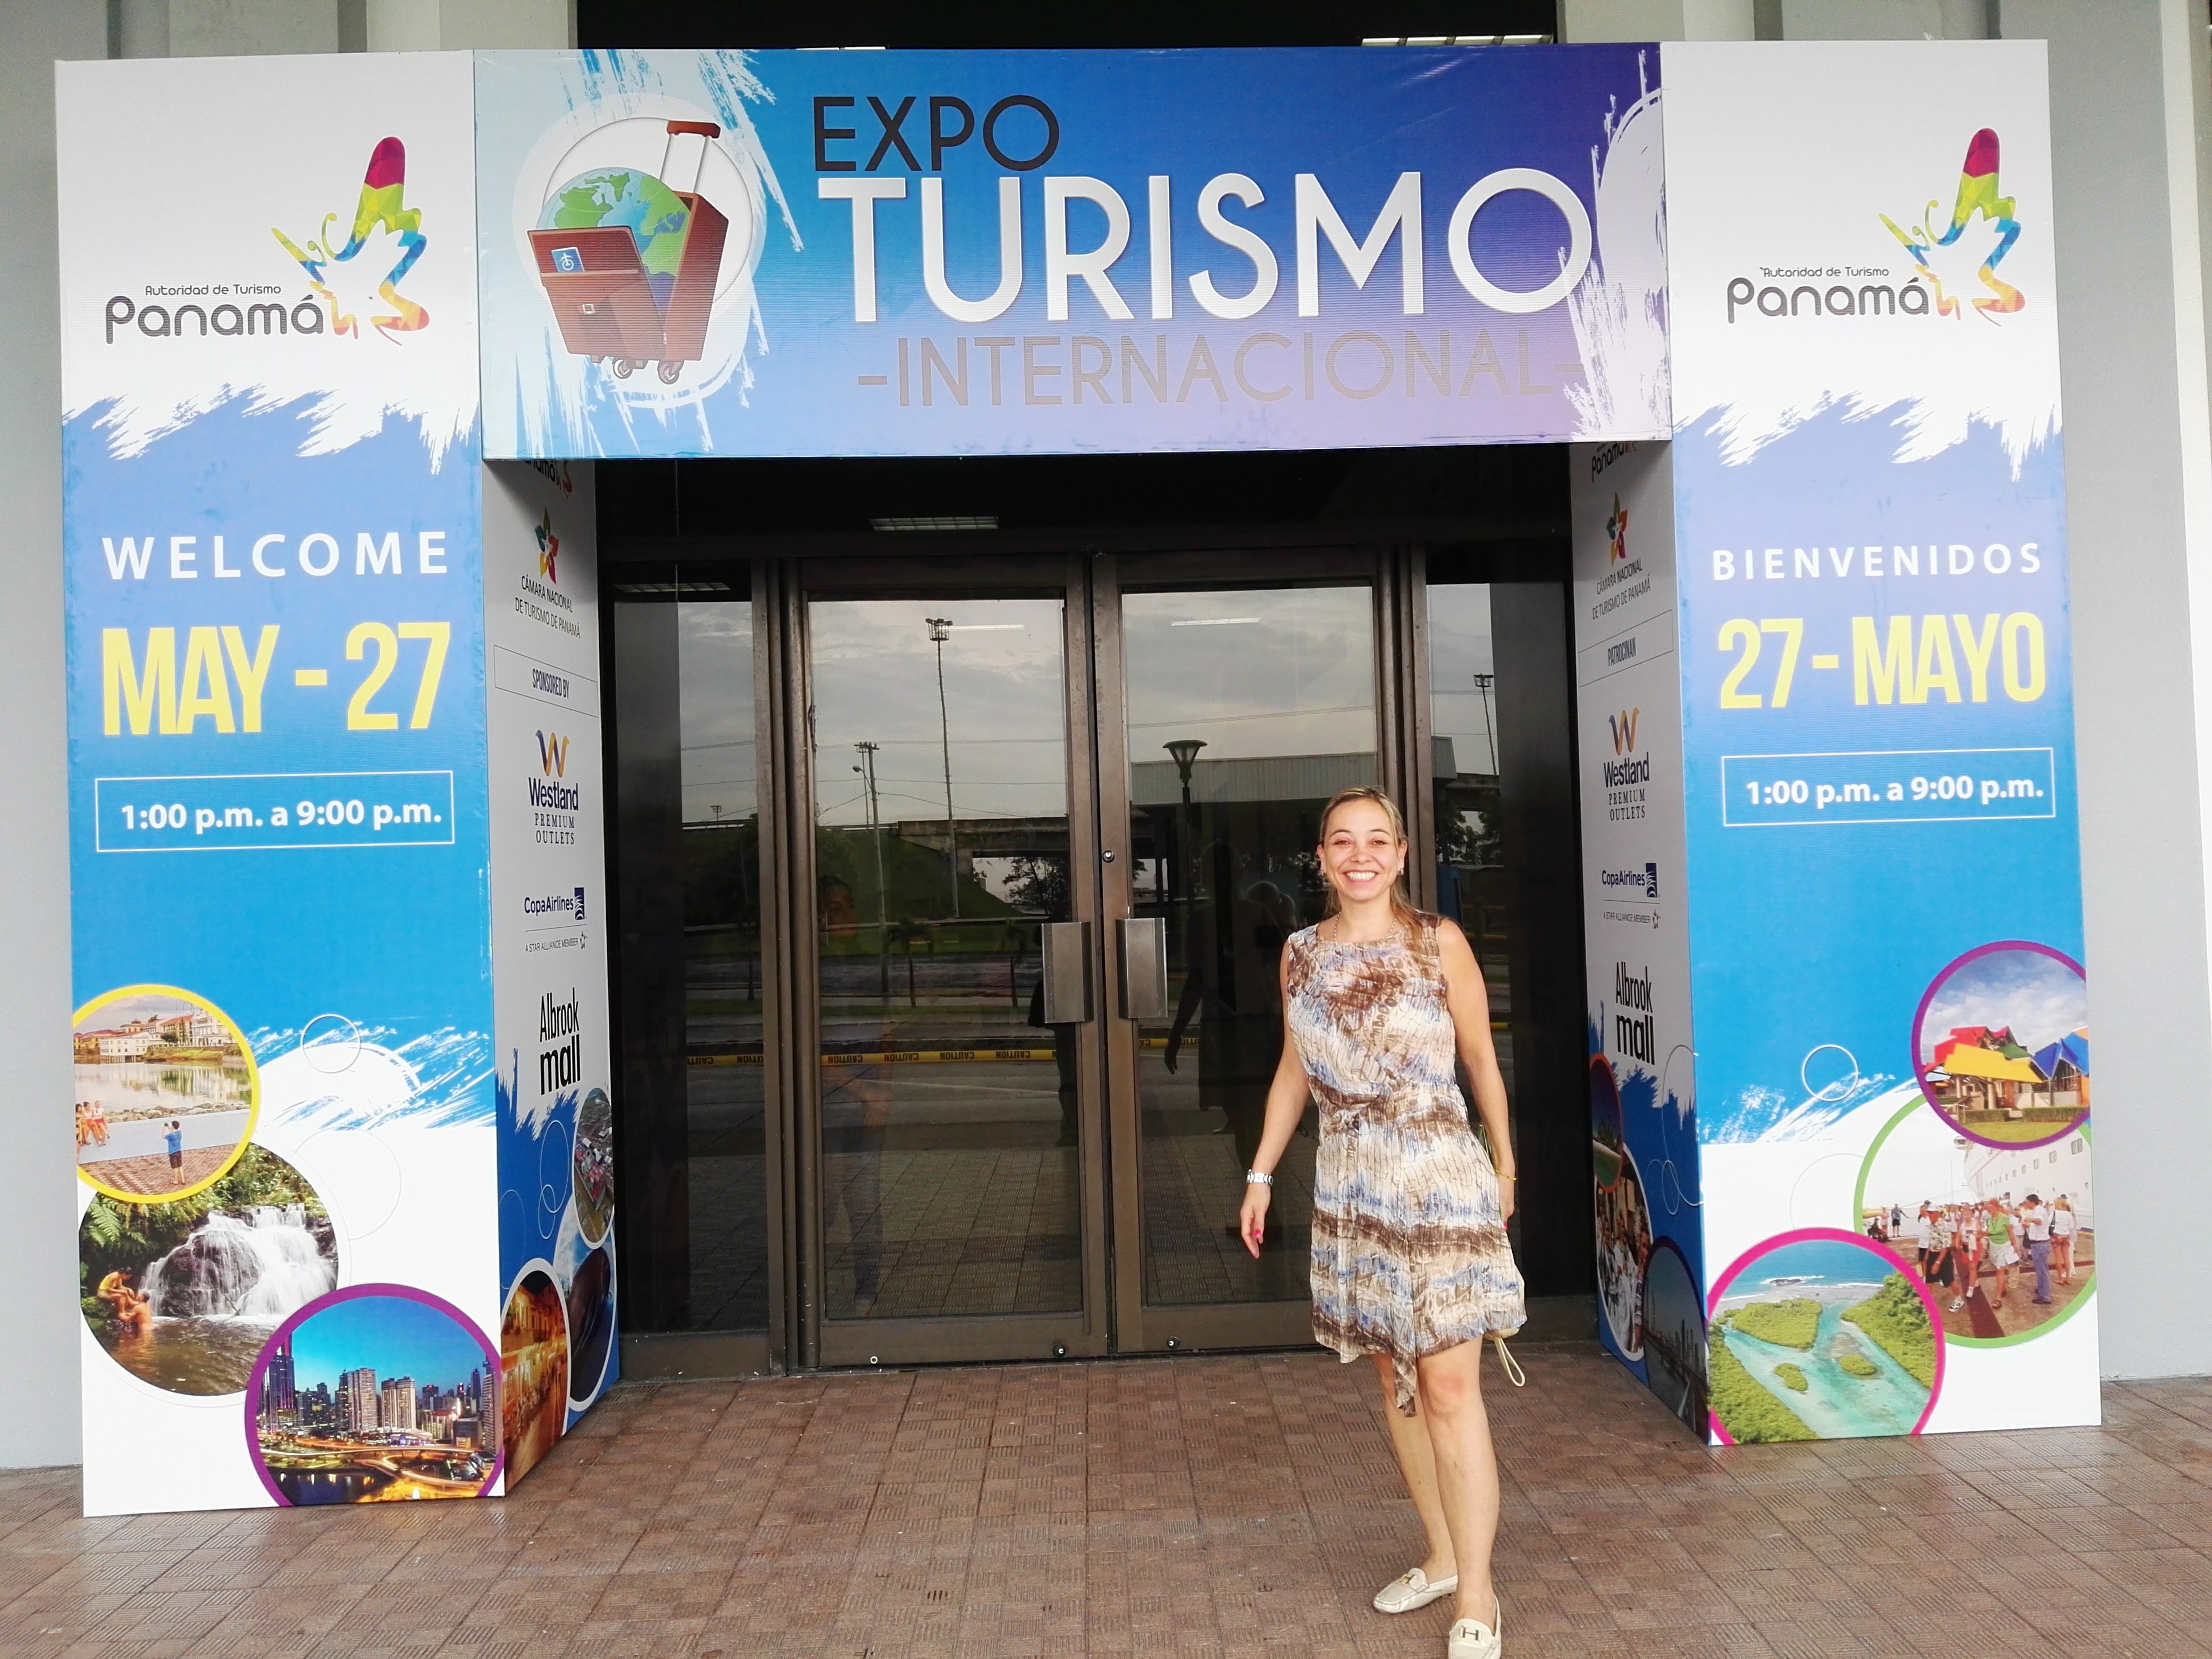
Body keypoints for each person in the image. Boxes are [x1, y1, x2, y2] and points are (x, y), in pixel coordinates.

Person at [1238, 787, 1523, 1659]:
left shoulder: (1438, 941)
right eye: (1341, 841)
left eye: (1376, 841)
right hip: (1353, 1187)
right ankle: (1442, 1556)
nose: (1359, 855)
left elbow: (1480, 1057)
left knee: (1449, 1387)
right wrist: (1260, 1173)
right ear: (1322, 859)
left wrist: (1506, 1164)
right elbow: (1294, 1069)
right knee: (1396, 1377)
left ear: (1400, 855)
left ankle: (1478, 1593)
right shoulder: (1300, 953)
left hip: (1439, 1177)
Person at [2020, 1192, 2054, 1304]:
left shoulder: (2039, 1211)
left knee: (2042, 1271)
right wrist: (2029, 1225)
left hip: (2040, 1245)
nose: (2026, 1204)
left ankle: (2045, 1296)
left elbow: (2039, 1222)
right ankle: (2042, 1289)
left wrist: (2030, 1220)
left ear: (2031, 1202)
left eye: (2027, 1202)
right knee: (2041, 1270)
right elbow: (2039, 1224)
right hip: (2038, 1244)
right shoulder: (2038, 1211)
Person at [1982, 1197, 2016, 1310]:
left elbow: (2010, 1233)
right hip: (1994, 1246)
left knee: (2000, 1270)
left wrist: (2015, 1246)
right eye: (1988, 1208)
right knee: (1998, 1268)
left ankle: (1998, 1298)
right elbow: (1989, 1233)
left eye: (1991, 1208)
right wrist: (1980, 1233)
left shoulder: (2004, 1218)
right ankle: (2003, 1288)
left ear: (1997, 1207)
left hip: (2004, 1246)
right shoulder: (1988, 1219)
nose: (1989, 1210)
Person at [2051, 1195, 2077, 1285]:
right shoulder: (2068, 1214)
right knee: (2067, 1258)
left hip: (2057, 1236)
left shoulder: (2054, 1213)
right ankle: (2068, 1278)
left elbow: (2048, 1224)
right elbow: (2071, 1226)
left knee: (2058, 1258)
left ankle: (2060, 1278)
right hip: (2066, 1236)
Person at [164, 1118, 185, 1187]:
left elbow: (162, 1136)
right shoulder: (180, 1133)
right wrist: (168, 1127)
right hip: (179, 1151)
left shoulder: (171, 1135)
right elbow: (173, 1132)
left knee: (175, 1167)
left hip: (173, 1153)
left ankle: (176, 1181)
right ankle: (183, 1180)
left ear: (173, 1126)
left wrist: (163, 1128)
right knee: (180, 1166)